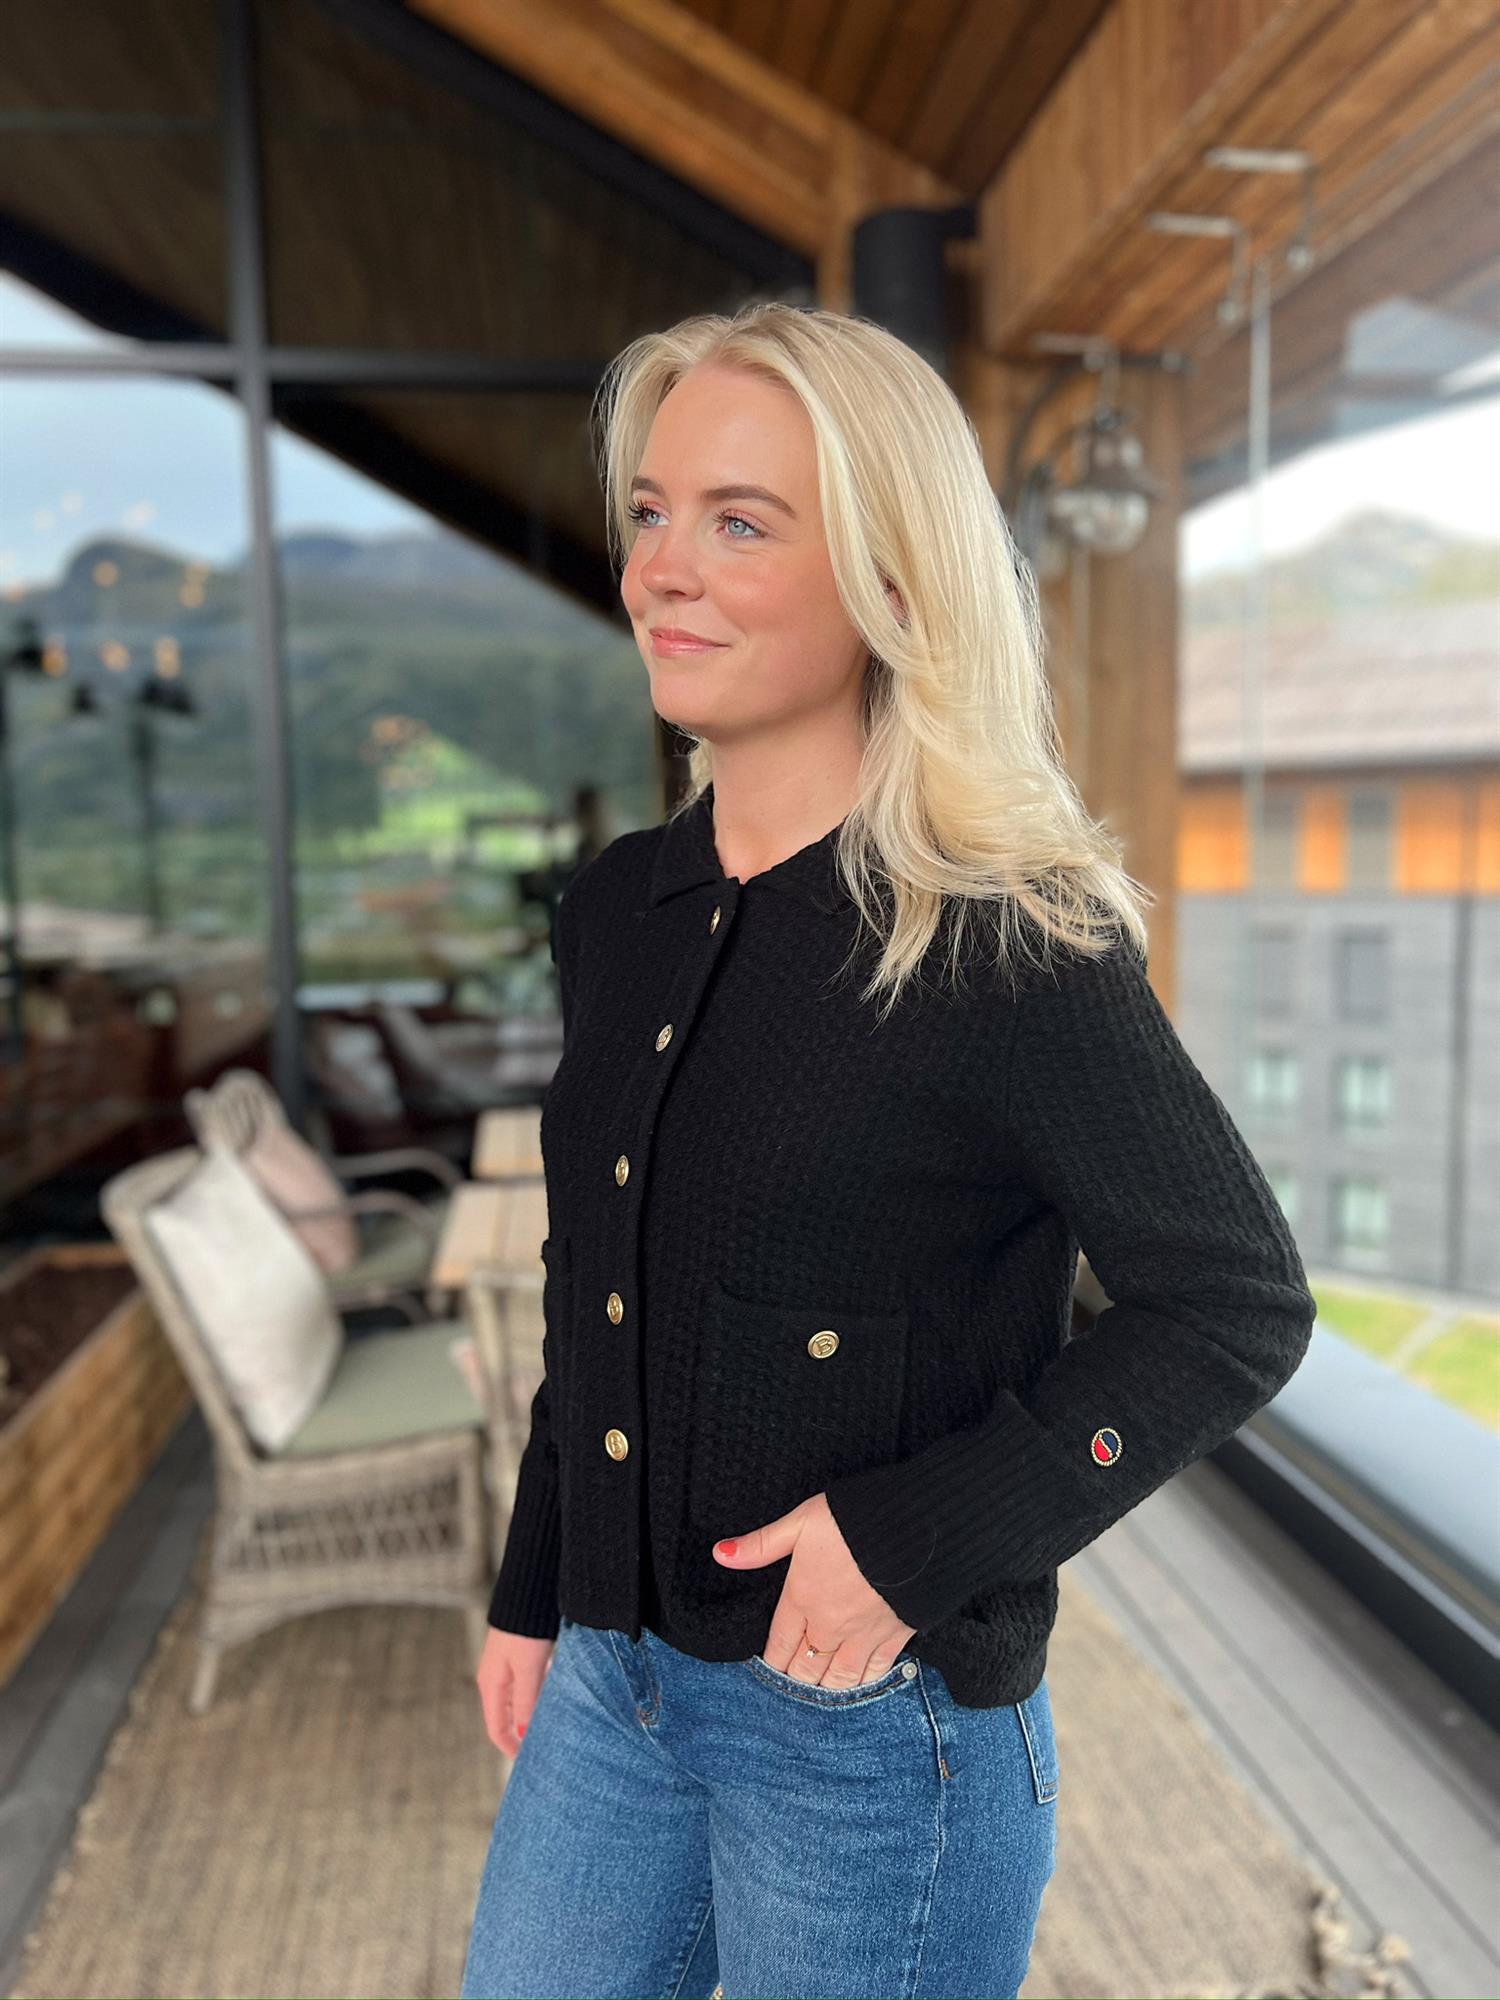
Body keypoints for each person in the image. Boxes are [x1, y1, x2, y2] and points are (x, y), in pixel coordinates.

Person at [460, 302, 1317, 2000]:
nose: (662, 570)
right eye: (651, 510)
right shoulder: (619, 910)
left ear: (891, 582)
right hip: (612, 1689)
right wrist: (537, 1580)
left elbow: (1232, 1304)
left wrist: (917, 1540)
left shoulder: (1005, 939)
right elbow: (595, 1279)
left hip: (867, 1733)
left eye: (741, 523)